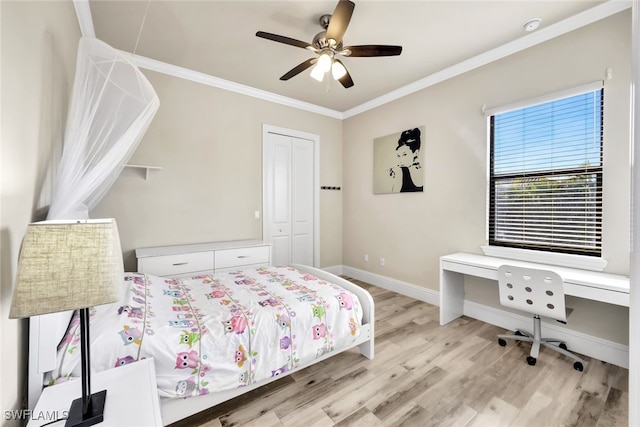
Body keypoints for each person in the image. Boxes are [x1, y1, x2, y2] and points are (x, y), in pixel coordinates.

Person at [389, 128, 423, 192]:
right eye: (398, 156)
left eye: (404, 155)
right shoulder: (398, 171)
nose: (400, 160)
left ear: (416, 153)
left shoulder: (399, 171)